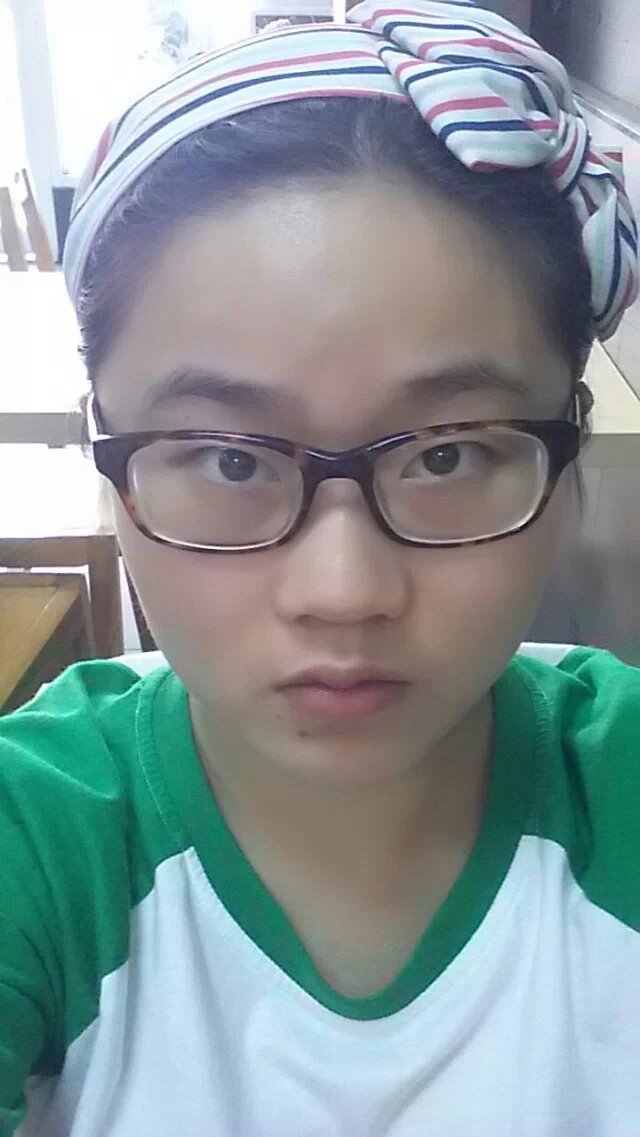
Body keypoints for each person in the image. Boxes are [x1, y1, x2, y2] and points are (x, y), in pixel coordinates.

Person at [1, 3, 639, 1133]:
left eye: (447, 453)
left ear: (569, 456)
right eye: (228, 459)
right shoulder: (39, 842)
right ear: (108, 461)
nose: (343, 592)